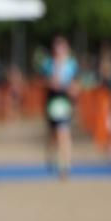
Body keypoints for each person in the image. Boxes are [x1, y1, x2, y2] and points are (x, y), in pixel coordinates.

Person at [39, 36, 79, 178]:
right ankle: (52, 156)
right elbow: (43, 82)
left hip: (65, 102)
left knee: (64, 134)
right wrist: (52, 82)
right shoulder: (47, 64)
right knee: (54, 135)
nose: (60, 52)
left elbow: (76, 85)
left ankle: (65, 165)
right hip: (52, 102)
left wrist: (71, 90)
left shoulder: (72, 65)